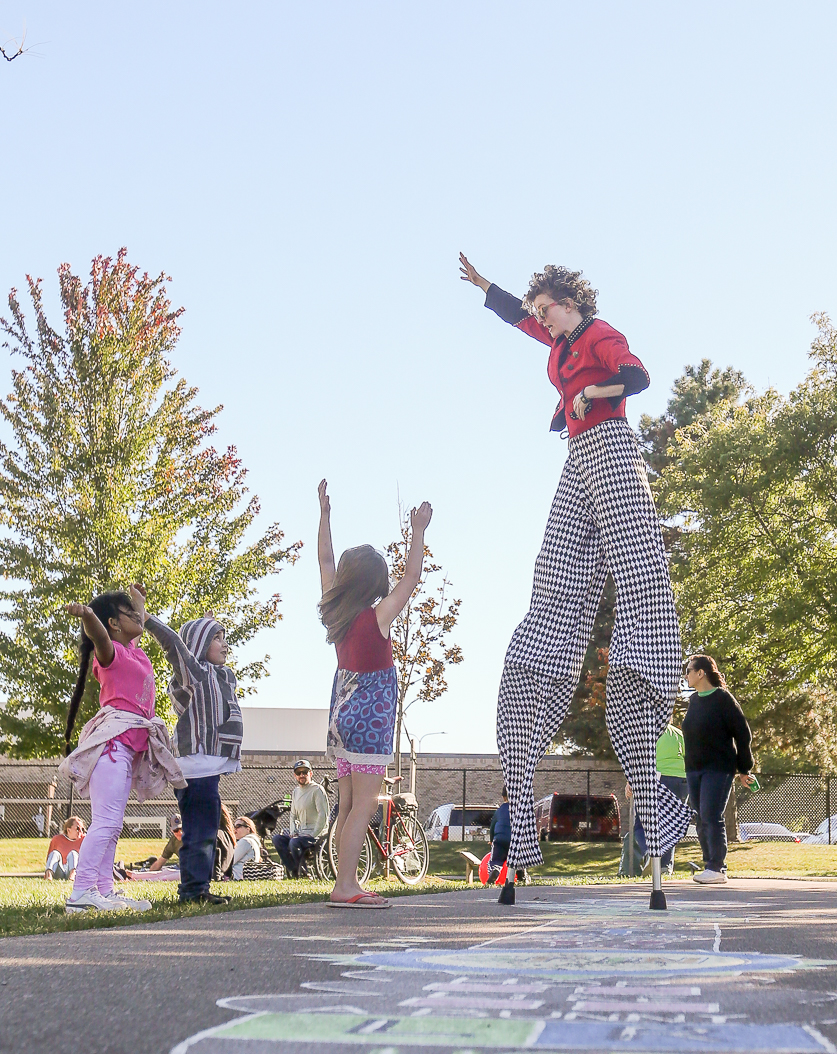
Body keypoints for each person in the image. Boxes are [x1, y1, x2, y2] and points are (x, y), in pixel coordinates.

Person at [459, 254, 690, 906]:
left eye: (548, 309)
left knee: (637, 568)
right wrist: (486, 287)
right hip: (577, 457)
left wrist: (595, 395)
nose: (543, 320)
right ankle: (536, 682)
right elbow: (518, 320)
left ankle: (647, 671)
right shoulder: (557, 340)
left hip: (612, 448)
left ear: (571, 302)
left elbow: (637, 375)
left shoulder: (598, 333)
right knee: (555, 575)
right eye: (539, 313)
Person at [318, 480, 431, 908]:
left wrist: (325, 515)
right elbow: (412, 578)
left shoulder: (336, 613)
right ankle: (345, 886)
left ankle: (345, 882)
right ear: (375, 583)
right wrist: (418, 531)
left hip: (341, 719)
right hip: (369, 722)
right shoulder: (377, 617)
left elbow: (325, 559)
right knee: (364, 805)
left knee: (348, 805)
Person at [58, 587, 182, 913]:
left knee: (113, 826)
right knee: (106, 823)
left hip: (127, 751)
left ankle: (104, 891)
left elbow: (137, 625)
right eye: (128, 613)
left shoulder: (134, 653)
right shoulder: (111, 654)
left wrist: (138, 599)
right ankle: (81, 892)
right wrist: (88, 615)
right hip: (112, 748)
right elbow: (99, 636)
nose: (138, 617)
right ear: (113, 623)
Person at [142, 599, 243, 906]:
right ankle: (193, 891)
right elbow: (175, 645)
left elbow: (198, 645)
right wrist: (147, 618)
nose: (224, 645)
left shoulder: (218, 675)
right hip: (197, 767)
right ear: (199, 646)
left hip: (207, 769)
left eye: (224, 638)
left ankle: (198, 887)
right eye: (217, 639)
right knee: (200, 831)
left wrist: (207, 625)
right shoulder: (194, 675)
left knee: (206, 830)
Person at [681, 654, 756, 886]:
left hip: (719, 768)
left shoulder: (723, 699)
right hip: (694, 769)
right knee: (700, 818)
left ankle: (717, 867)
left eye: (688, 670)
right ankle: (709, 866)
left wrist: (744, 768)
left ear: (701, 673)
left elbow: (742, 734)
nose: (685, 675)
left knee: (711, 815)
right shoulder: (694, 700)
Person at [619, 724, 689, 877]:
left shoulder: (648, 730)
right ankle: (664, 867)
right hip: (682, 780)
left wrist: (631, 780)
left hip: (657, 777)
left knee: (642, 824)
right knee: (671, 825)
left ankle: (650, 853)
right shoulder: (679, 734)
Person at [273, 760, 331, 878]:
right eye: (298, 773)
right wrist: (293, 831)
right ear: (295, 775)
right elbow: (293, 815)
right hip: (301, 833)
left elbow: (323, 815)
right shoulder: (296, 792)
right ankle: (295, 870)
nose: (301, 775)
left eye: (304, 772)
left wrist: (313, 834)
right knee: (277, 839)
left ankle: (303, 872)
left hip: (317, 835)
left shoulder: (317, 790)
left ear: (311, 773)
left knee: (294, 842)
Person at [487, 789, 511, 881]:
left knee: (496, 860)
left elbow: (492, 826)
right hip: (514, 839)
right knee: (518, 860)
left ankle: (495, 870)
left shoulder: (499, 811)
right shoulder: (519, 810)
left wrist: (491, 840)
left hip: (499, 839)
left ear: (503, 797)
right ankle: (522, 876)